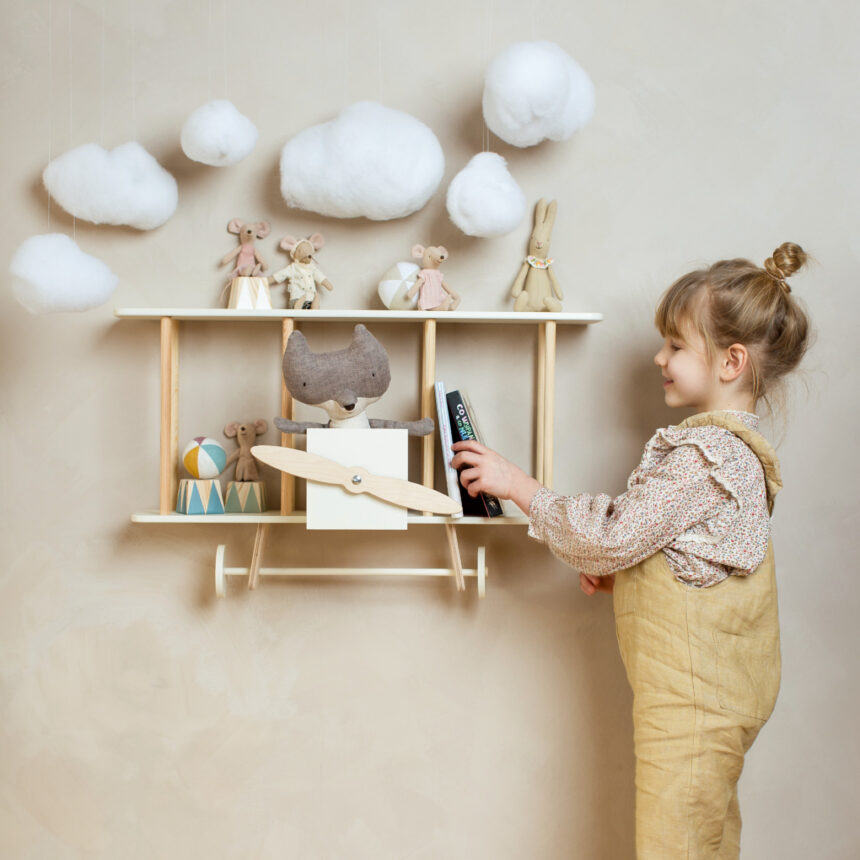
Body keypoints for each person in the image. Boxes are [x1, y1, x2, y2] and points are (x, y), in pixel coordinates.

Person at [451, 242, 812, 859]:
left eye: (675, 345)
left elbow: (612, 535)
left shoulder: (709, 456)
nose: (659, 356)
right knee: (705, 840)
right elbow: (697, 560)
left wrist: (520, 486)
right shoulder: (725, 454)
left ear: (731, 362)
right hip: (709, 703)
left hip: (695, 708)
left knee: (676, 846)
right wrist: (637, 577)